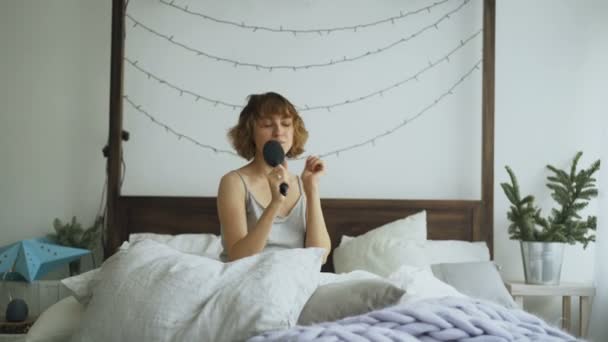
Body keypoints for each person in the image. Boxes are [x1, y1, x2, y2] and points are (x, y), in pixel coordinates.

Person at [217, 92, 331, 263]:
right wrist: (275, 203)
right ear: (250, 132)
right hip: (246, 279)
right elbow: (238, 257)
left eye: (286, 124)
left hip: (293, 279)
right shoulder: (233, 183)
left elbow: (319, 257)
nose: (279, 132)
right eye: (267, 125)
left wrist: (311, 188)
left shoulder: (302, 184)